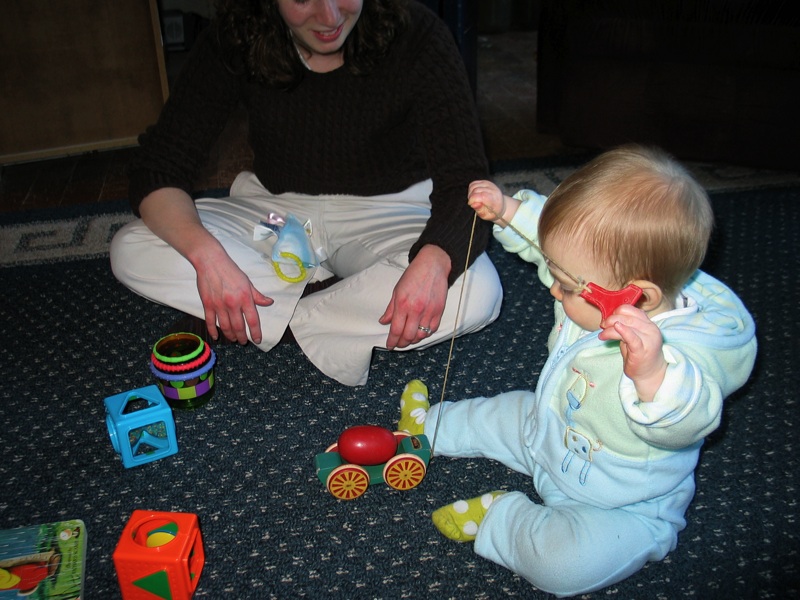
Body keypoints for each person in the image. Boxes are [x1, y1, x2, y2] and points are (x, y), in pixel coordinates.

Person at [398, 145, 757, 596]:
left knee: (565, 567)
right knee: (503, 414)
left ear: (634, 297)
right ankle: (427, 427)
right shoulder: (600, 272)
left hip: (621, 500)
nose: (552, 290)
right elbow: (559, 246)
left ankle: (502, 517)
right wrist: (509, 211)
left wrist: (651, 376)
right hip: (552, 429)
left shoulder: (690, 353)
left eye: (566, 287)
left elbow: (688, 419)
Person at [110, 0, 502, 386]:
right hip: (275, 212)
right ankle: (336, 307)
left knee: (477, 291)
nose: (329, 16)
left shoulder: (418, 33)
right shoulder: (238, 34)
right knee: (132, 246)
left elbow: (465, 180)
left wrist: (433, 261)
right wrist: (208, 259)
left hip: (390, 210)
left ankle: (264, 314)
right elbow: (159, 166)